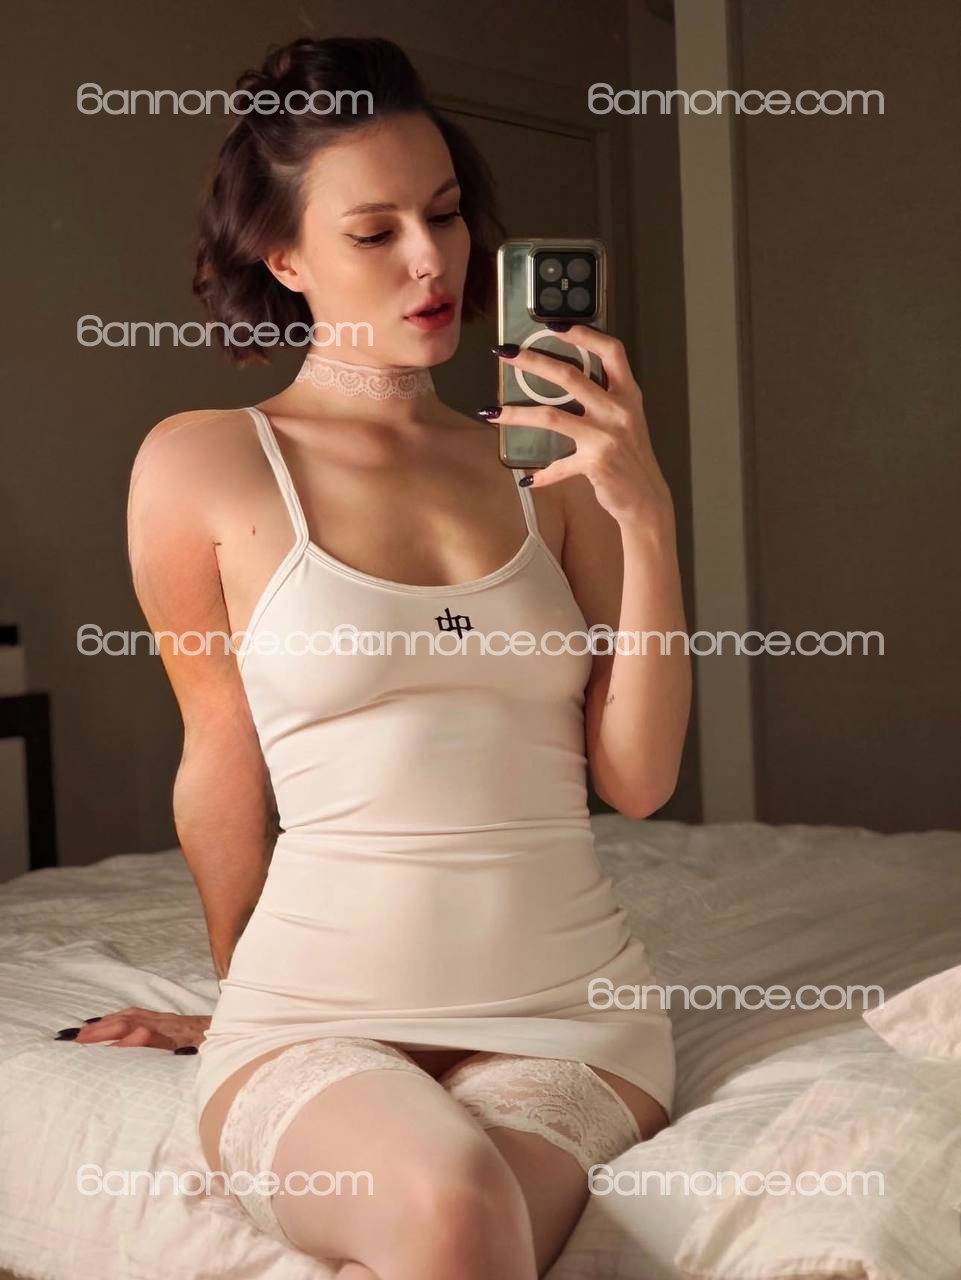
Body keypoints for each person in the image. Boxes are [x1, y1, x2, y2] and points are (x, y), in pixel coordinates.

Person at [62, 35, 691, 1280]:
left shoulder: (549, 464)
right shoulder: (202, 463)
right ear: (284, 256)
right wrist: (236, 1000)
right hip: (316, 1016)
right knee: (453, 1207)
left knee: (456, 1230)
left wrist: (647, 515)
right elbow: (220, 755)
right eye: (375, 231)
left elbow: (638, 777)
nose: (430, 260)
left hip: (570, 1021)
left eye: (446, 215)